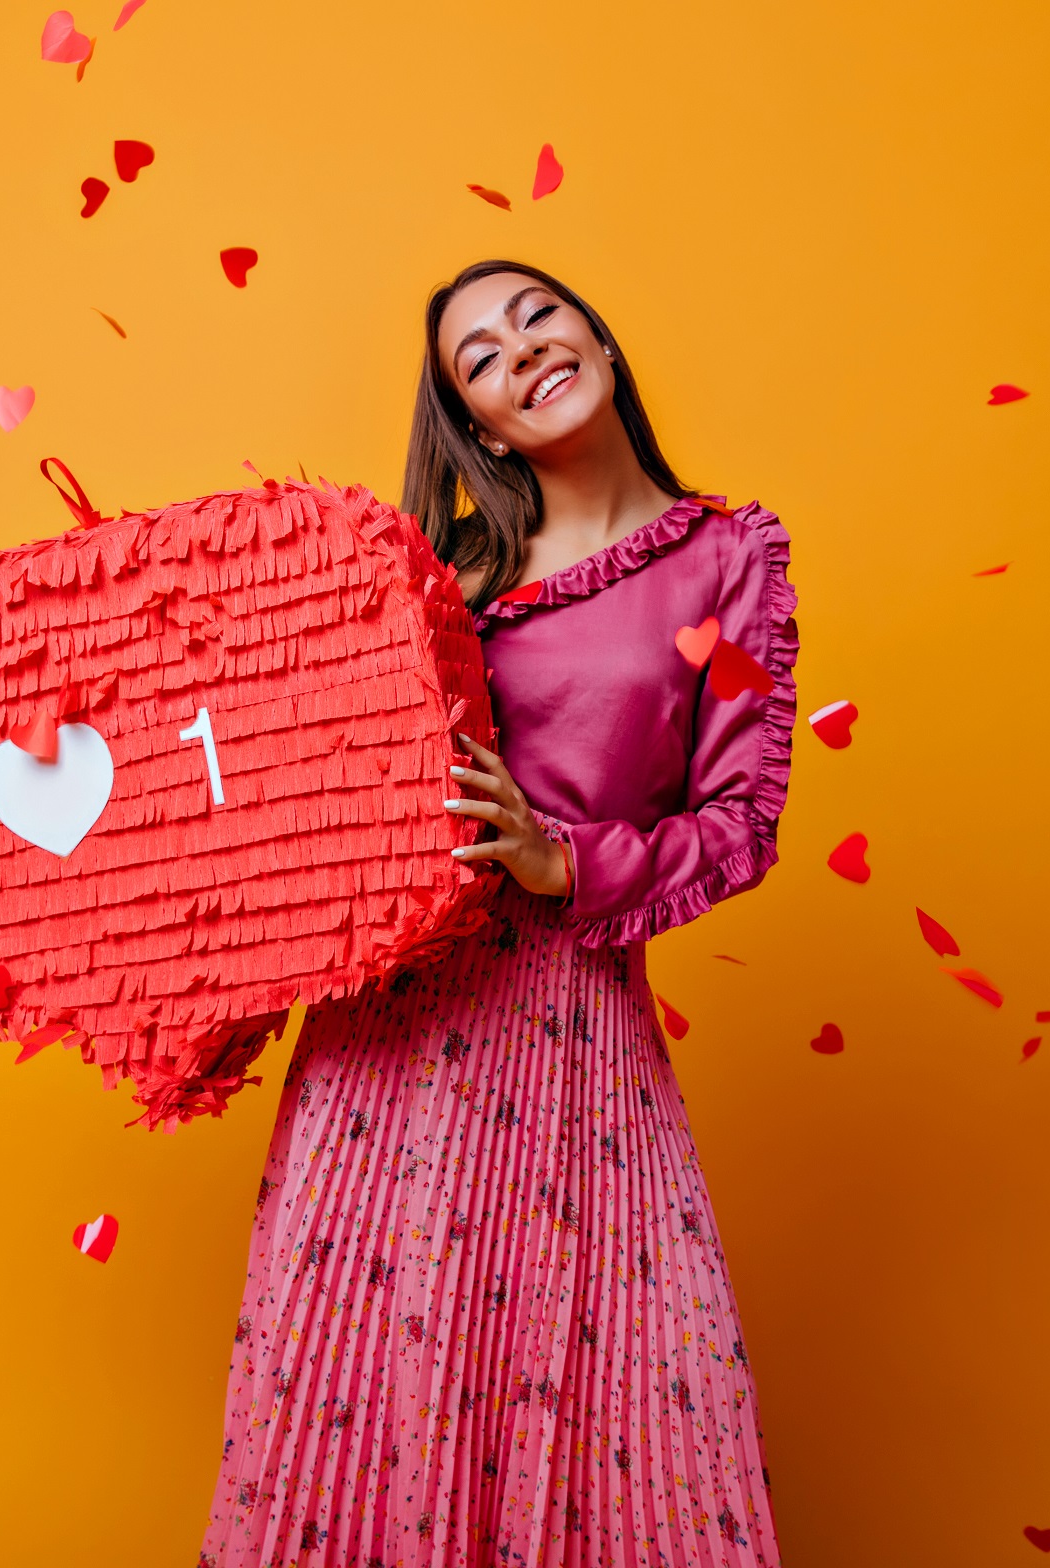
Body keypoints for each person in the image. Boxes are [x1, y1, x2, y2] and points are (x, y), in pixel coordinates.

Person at [201, 259, 796, 1568]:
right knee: (358, 1377)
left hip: (570, 1031)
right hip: (386, 1034)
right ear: (481, 427)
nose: (521, 352)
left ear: (598, 337)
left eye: (537, 318)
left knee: (605, 1383)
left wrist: (560, 858)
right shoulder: (441, 576)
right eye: (480, 358)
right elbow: (319, 778)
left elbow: (738, 820)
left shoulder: (720, 570)